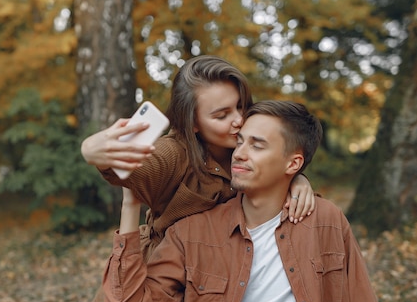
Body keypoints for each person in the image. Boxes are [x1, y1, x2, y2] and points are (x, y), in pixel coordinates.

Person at [0, 101, 404, 302]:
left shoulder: (324, 220)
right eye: (240, 141)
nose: (239, 153)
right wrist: (130, 207)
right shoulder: (198, 228)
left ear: (293, 163)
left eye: (257, 145)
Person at [81, 56, 316, 265]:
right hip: (160, 290)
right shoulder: (175, 153)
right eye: (222, 115)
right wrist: (92, 151)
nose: (239, 119)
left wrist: (294, 179)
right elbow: (139, 167)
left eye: (241, 106)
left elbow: (280, 158)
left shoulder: (248, 148)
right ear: (192, 122)